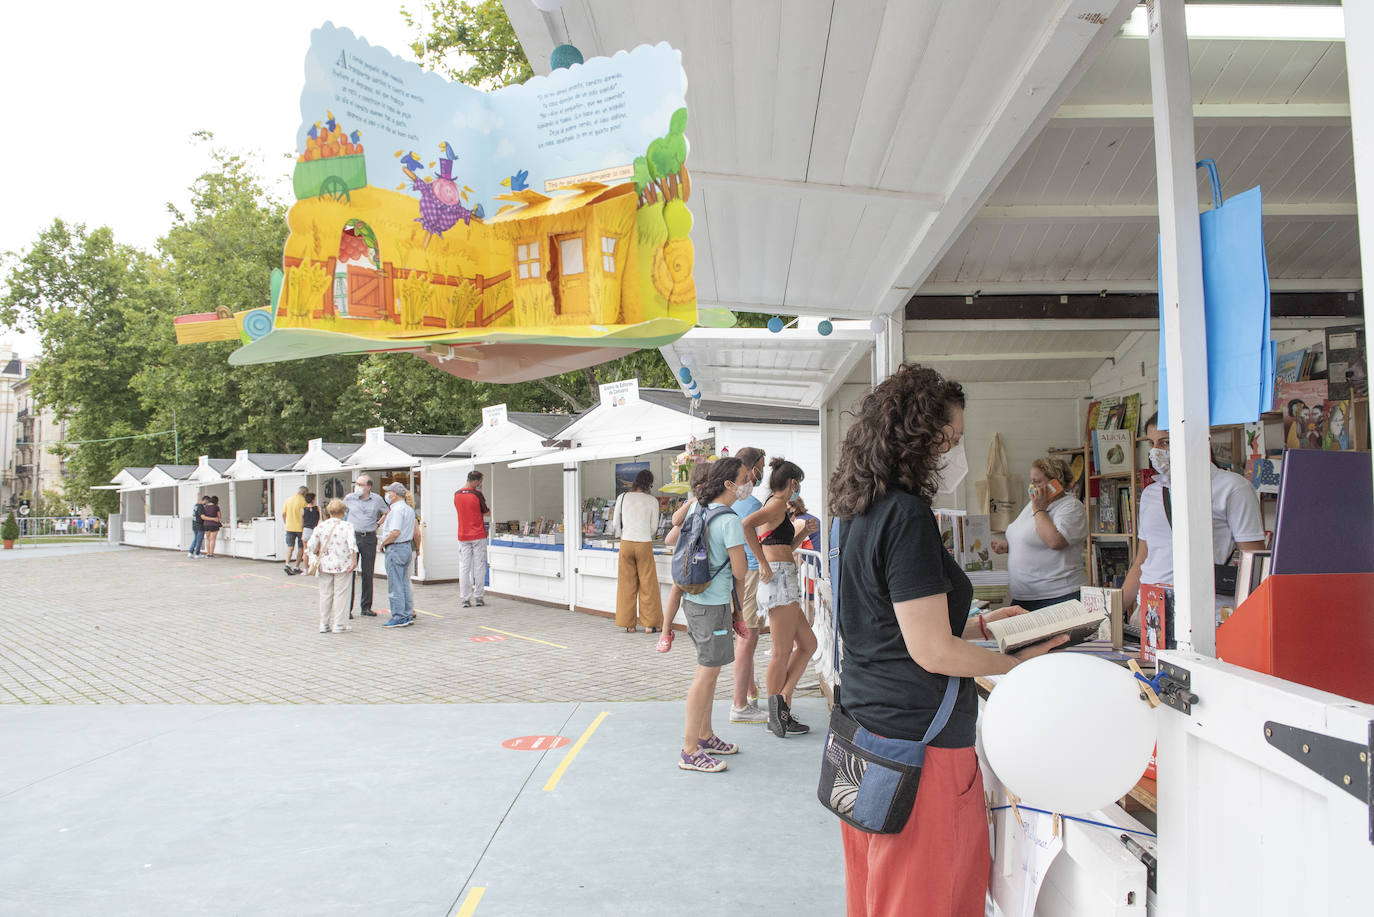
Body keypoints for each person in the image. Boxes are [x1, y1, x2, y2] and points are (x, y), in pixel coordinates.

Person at [829, 363, 1062, 915]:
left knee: (876, 893)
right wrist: (1018, 666)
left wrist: (981, 626)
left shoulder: (854, 511)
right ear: (918, 436)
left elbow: (886, 623)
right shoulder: (906, 516)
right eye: (950, 439)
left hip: (866, 732)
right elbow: (931, 650)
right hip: (920, 748)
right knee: (931, 896)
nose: (954, 453)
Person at [1123, 413, 1266, 621]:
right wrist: (1112, 611)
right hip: (1151, 611)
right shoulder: (1150, 493)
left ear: (1193, 439)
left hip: (1207, 614)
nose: (1156, 451)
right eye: (1151, 443)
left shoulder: (1232, 488)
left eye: (1165, 442)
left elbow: (1253, 562)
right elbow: (1141, 561)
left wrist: (1249, 621)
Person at [677, 456, 751, 773]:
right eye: (745, 478)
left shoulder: (698, 507)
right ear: (729, 484)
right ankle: (689, 750)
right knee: (706, 675)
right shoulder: (730, 520)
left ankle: (704, 736)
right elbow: (740, 570)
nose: (749, 483)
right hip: (712, 605)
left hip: (696, 600)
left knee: (710, 670)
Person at [744, 457, 821, 738]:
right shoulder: (776, 504)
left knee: (808, 643)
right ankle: (778, 712)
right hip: (778, 578)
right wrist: (762, 563)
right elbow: (746, 525)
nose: (798, 489)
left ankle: (782, 703)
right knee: (781, 650)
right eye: (797, 483)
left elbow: (781, 544)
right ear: (792, 482)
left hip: (784, 576)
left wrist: (802, 534)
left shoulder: (777, 506)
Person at [990, 457, 1088, 610]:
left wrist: (1039, 509)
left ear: (1056, 484)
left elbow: (1055, 541)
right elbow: (1032, 537)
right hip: (1025, 598)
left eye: (1038, 482)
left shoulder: (1071, 506)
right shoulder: (1034, 504)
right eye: (1032, 481)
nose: (1032, 487)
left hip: (1058, 597)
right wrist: (1009, 546)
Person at [727, 446, 769, 725]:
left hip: (734, 575)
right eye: (761, 468)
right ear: (752, 469)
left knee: (744, 636)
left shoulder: (729, 501)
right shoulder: (753, 506)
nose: (761, 473)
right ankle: (740, 704)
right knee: (748, 637)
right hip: (751, 575)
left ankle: (749, 693)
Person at [614, 468, 664, 633]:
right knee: (648, 584)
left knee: (626, 584)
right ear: (649, 484)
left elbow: (615, 524)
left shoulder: (622, 497)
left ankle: (628, 624)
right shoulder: (652, 501)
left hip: (626, 543)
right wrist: (643, 533)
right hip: (644, 543)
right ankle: (650, 624)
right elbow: (654, 527)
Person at [307, 498, 358, 633]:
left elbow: (310, 545)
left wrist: (313, 559)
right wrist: (354, 561)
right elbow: (352, 545)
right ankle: (339, 624)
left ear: (329, 511)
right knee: (341, 595)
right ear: (343, 511)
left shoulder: (321, 526)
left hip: (324, 565)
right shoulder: (347, 526)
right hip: (343, 564)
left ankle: (324, 624)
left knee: (325, 594)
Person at [345, 475, 389, 618]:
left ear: (368, 486)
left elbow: (387, 512)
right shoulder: (349, 498)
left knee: (368, 573)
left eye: (360, 484)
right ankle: (347, 608)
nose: (357, 486)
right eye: (356, 484)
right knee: (350, 572)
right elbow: (341, 511)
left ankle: (366, 607)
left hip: (369, 537)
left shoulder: (377, 499)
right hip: (353, 537)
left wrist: (378, 523)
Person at [379, 482, 417, 628]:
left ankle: (399, 615)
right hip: (406, 546)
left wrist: (383, 543)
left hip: (396, 547)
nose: (387, 495)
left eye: (389, 492)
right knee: (404, 582)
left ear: (394, 494)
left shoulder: (396, 510)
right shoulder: (408, 509)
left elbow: (395, 532)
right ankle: (407, 614)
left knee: (395, 584)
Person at [454, 471, 491, 608]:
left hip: (463, 534)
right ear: (476, 481)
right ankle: (479, 596)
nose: (480, 484)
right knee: (479, 566)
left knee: (464, 567)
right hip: (478, 534)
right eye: (480, 481)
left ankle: (465, 598)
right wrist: (481, 493)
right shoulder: (477, 495)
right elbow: (486, 512)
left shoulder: (457, 494)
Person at [283, 485, 308, 575]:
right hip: (300, 528)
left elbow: (283, 513)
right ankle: (296, 566)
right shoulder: (304, 502)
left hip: (289, 527)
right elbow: (305, 515)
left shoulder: (288, 500)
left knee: (290, 546)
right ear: (305, 493)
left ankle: (287, 563)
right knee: (301, 547)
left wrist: (286, 523)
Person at [300, 492, 320, 559]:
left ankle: (306, 565)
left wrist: (302, 531)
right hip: (316, 530)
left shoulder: (302, 510)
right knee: (317, 550)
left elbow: (301, 523)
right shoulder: (318, 508)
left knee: (306, 550)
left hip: (306, 530)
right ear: (313, 500)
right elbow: (324, 519)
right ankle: (316, 564)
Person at [188, 495, 207, 559]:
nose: (206, 503)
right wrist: (213, 519)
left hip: (194, 524)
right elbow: (202, 517)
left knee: (195, 539)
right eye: (206, 502)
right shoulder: (200, 506)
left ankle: (190, 552)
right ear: (205, 500)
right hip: (200, 525)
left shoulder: (195, 505)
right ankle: (197, 554)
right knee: (199, 540)